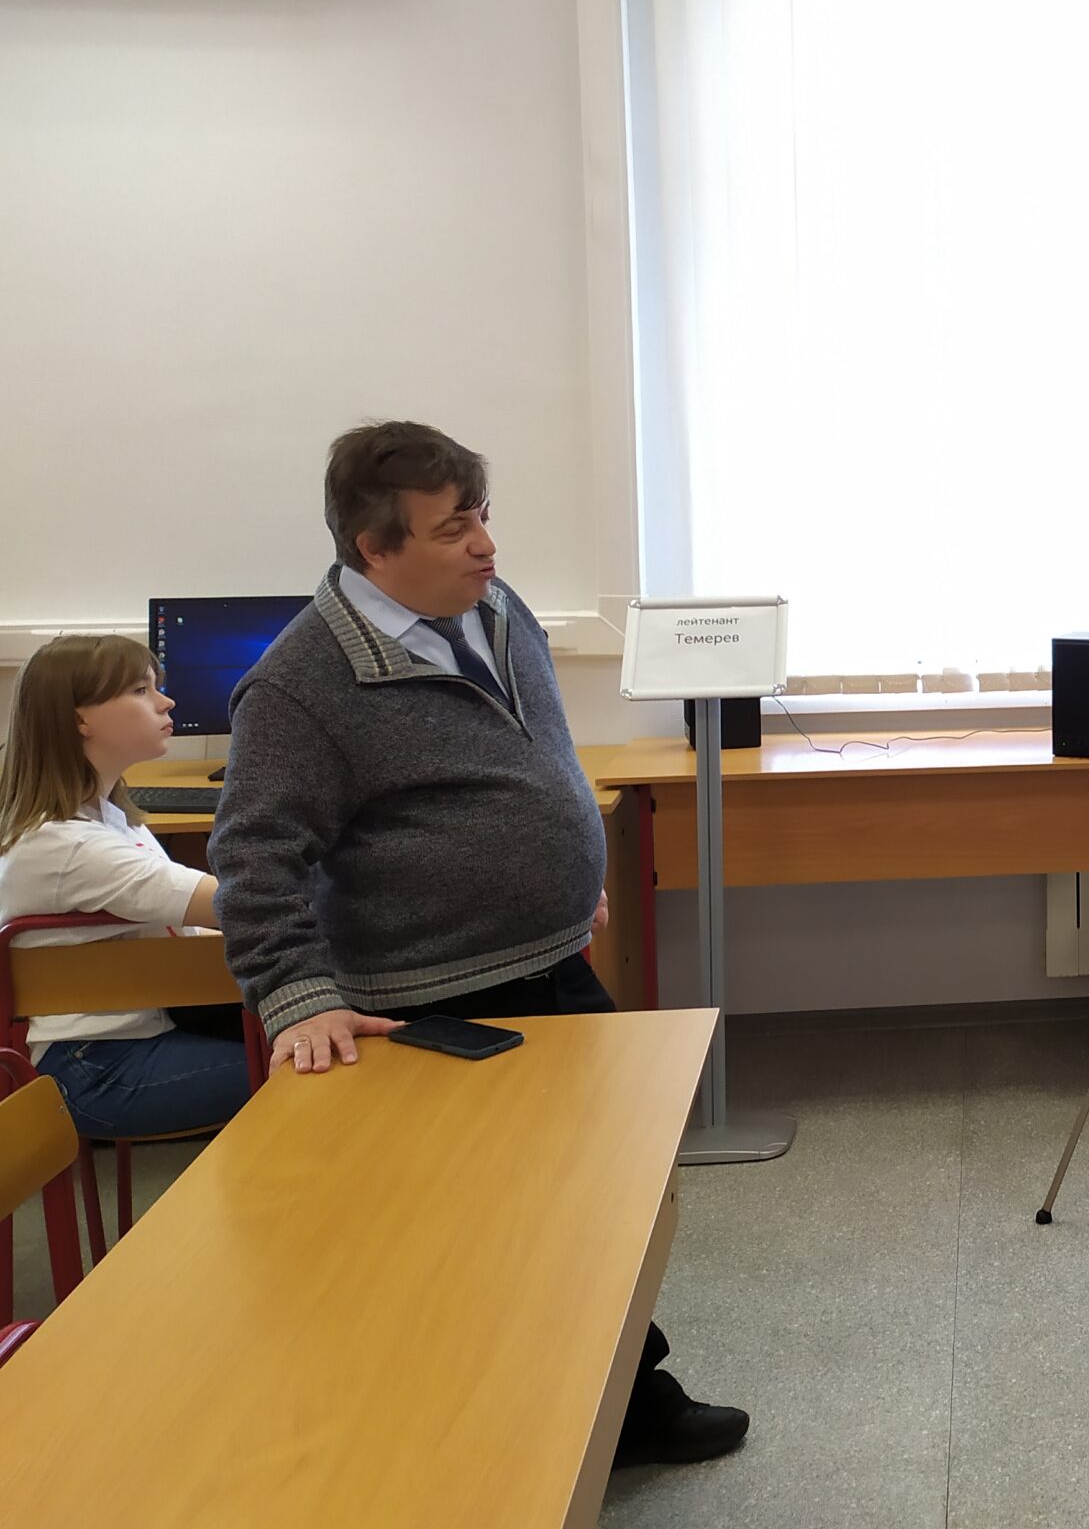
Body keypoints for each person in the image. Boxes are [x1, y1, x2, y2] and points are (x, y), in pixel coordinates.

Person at [209, 420, 747, 1468]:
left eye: (484, 516)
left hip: (552, 963)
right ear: (375, 546)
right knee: (483, 1234)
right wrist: (297, 996)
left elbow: (533, 757)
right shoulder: (299, 685)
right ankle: (501, 1432)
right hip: (433, 1002)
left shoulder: (494, 607)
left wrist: (566, 876)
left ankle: (621, 1405)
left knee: (608, 1197)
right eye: (454, 527)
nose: (486, 544)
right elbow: (253, 858)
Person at [0, 635, 253, 1141]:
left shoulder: (109, 817)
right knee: (314, 1064)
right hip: (94, 1067)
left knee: (311, 1033)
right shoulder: (69, 846)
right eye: (141, 690)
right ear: (79, 719)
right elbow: (242, 906)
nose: (165, 702)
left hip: (135, 1034)